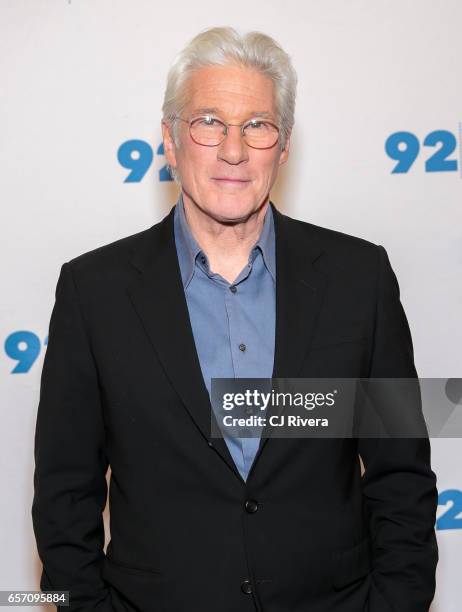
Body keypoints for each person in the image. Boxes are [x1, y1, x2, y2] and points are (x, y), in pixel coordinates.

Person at [32, 26, 438, 612]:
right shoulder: (94, 292)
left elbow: (401, 479)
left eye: (257, 125)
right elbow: (64, 500)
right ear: (170, 141)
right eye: (208, 122)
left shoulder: (360, 279)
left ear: (285, 145)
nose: (233, 149)